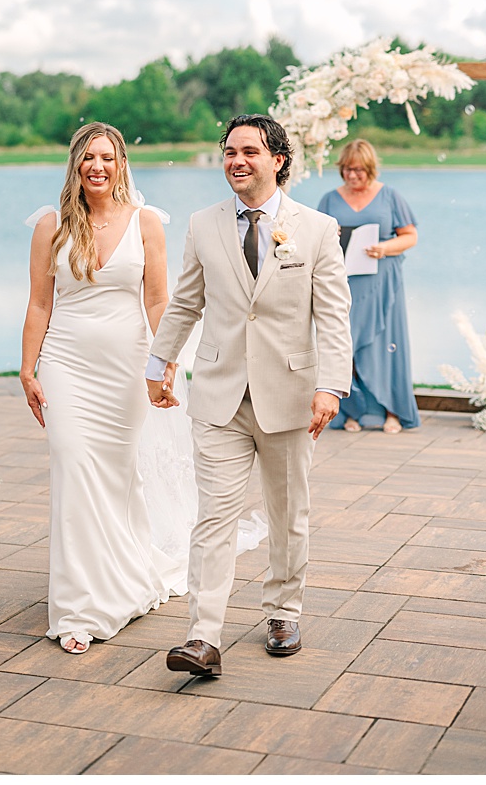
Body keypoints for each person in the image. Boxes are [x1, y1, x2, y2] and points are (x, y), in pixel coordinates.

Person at [149, 114, 352, 677]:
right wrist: (159, 361)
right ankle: (202, 637)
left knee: (289, 515)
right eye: (229, 152)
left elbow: (333, 315)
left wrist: (331, 386)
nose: (236, 161)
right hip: (218, 396)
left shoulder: (316, 229)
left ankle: (284, 612)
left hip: (289, 397)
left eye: (250, 152)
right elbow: (187, 302)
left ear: (278, 160)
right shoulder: (201, 224)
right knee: (214, 516)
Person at [20, 122, 186, 654]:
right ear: (75, 163)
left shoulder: (146, 223)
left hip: (126, 368)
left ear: (120, 165)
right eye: (89, 158)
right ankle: (77, 608)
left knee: (115, 475)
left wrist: (166, 362)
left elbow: (158, 301)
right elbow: (40, 303)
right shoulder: (50, 225)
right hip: (65, 363)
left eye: (107, 158)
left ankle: (126, 573)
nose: (98, 167)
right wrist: (27, 369)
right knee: (72, 465)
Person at [316, 139, 419, 432]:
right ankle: (353, 411)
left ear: (370, 169)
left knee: (386, 346)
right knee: (344, 346)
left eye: (359, 170)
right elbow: (313, 240)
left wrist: (385, 248)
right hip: (343, 284)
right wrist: (328, 234)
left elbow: (410, 236)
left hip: (383, 283)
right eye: (348, 169)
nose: (353, 175)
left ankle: (392, 412)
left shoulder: (390, 196)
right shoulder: (329, 200)